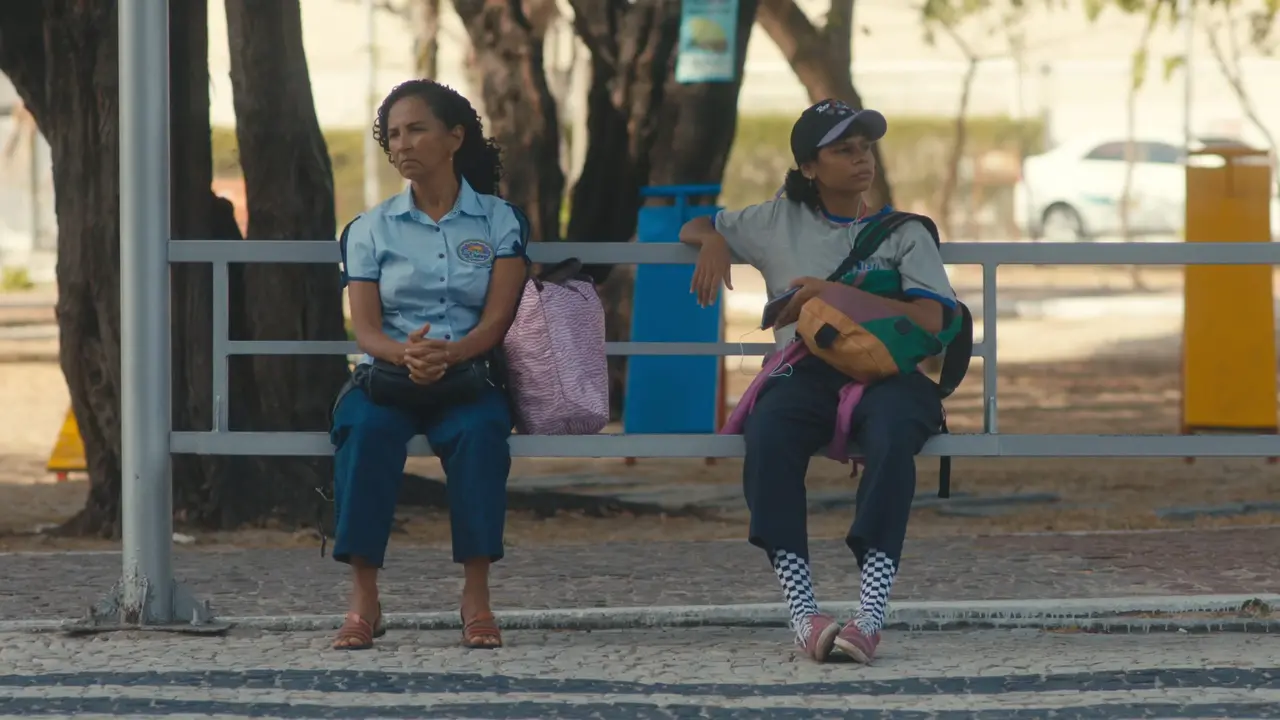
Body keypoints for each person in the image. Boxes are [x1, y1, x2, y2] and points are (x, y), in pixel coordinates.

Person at [678, 99, 957, 664]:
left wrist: (832, 295)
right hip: (805, 370)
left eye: (864, 149)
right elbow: (697, 223)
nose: (862, 160)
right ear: (808, 166)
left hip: (887, 371)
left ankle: (870, 616)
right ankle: (803, 615)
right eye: (843, 150)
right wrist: (712, 240)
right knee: (771, 433)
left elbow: (934, 322)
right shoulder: (775, 220)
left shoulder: (902, 233)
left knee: (895, 433)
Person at [329, 80, 526, 651]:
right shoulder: (369, 228)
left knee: (482, 433)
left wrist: (453, 353)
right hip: (389, 376)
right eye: (392, 135)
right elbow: (365, 329)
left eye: (416, 129)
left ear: (454, 137)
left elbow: (497, 320)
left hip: (468, 375)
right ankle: (364, 599)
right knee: (362, 432)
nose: (402, 144)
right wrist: (407, 353)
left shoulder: (499, 222)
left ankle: (477, 596)